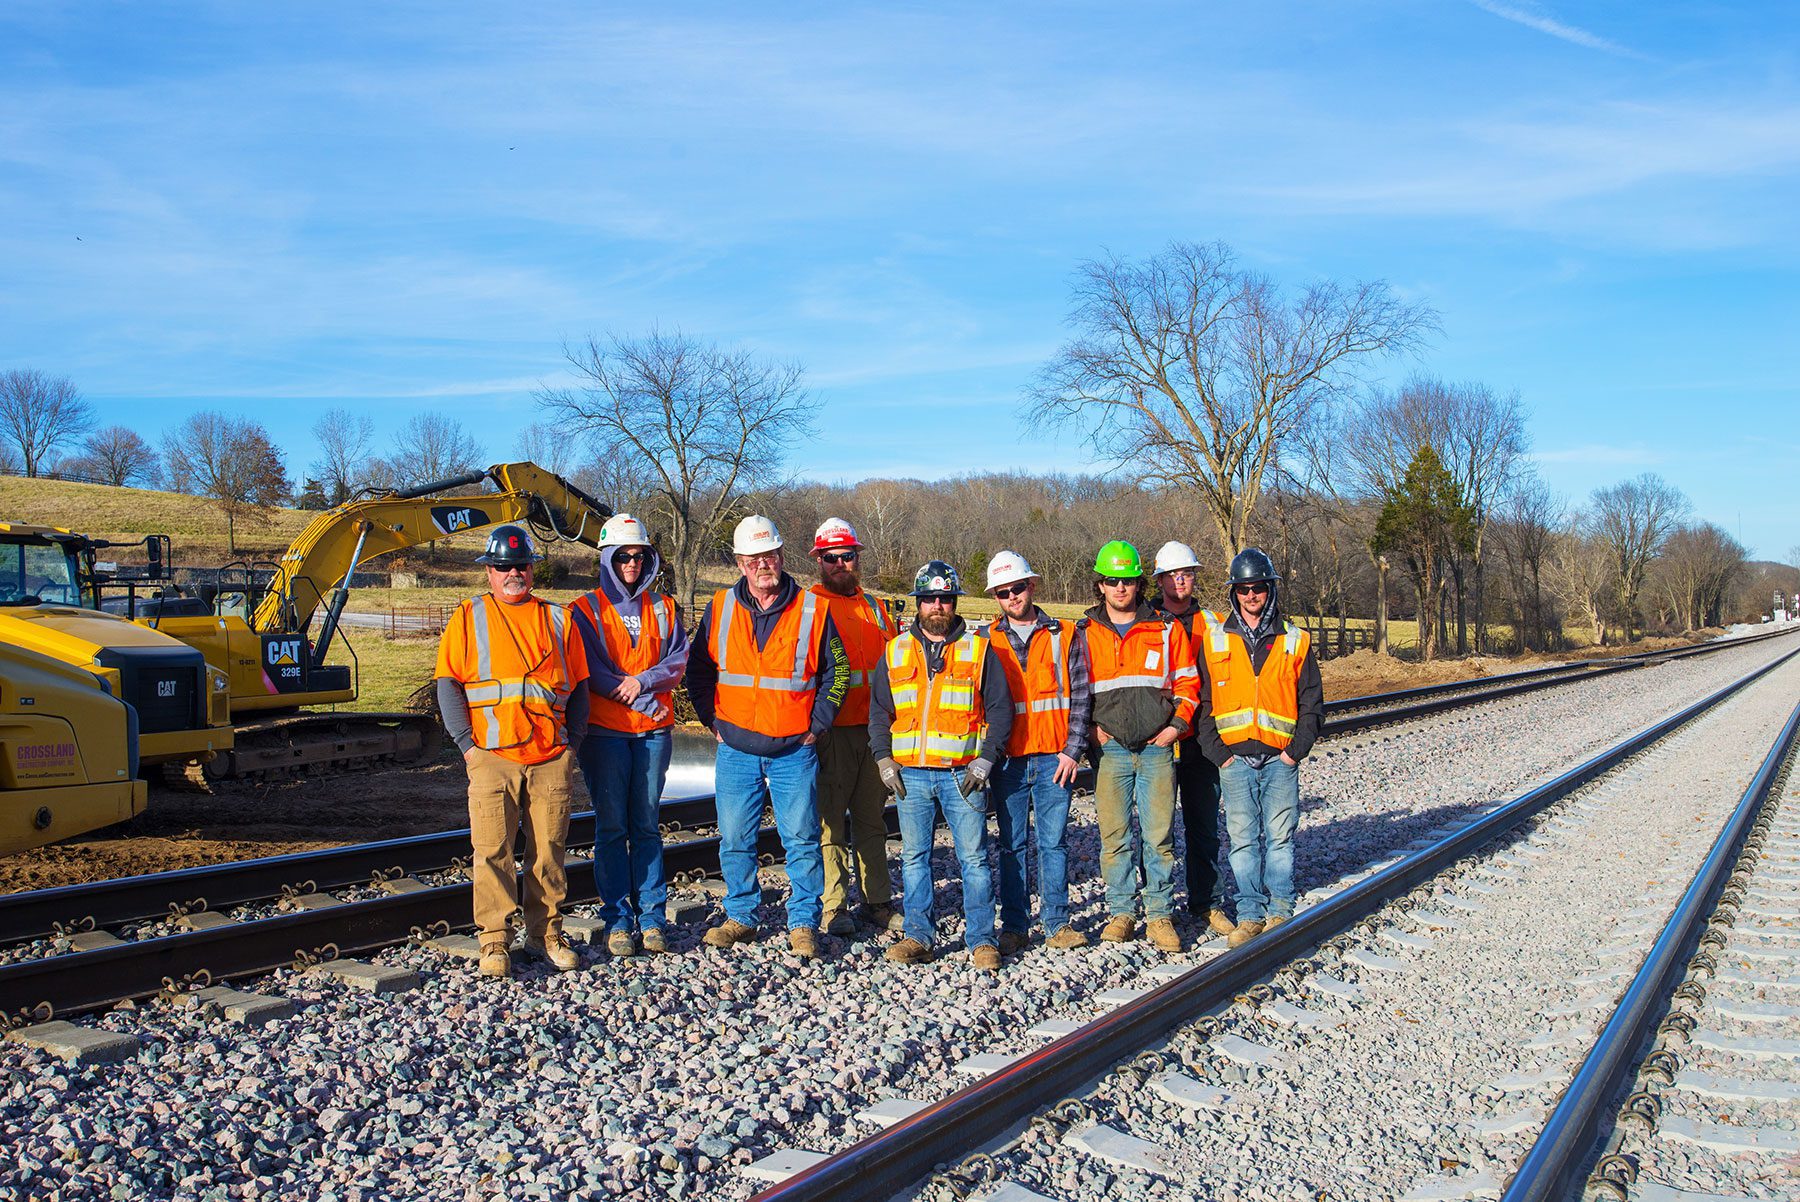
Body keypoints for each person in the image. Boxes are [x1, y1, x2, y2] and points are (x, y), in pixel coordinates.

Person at [685, 515, 849, 959]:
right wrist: (710, 720)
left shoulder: (813, 610)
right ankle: (741, 915)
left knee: (801, 838)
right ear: (740, 562)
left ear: (781, 556)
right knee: (736, 838)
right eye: (754, 558)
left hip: (794, 749)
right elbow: (698, 670)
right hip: (735, 747)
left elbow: (838, 673)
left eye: (771, 555)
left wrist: (817, 726)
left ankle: (803, 922)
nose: (764, 564)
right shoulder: (719, 608)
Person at [435, 524, 589, 978]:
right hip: (491, 757)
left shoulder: (559, 619)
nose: (513, 573)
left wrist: (571, 746)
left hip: (549, 757)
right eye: (503, 566)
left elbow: (580, 689)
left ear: (532, 570)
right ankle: (494, 942)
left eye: (520, 565)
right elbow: (449, 685)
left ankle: (547, 935)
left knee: (548, 851)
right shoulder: (469, 616)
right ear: (489, 571)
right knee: (492, 851)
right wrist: (467, 746)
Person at [868, 561, 1013, 971]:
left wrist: (985, 760)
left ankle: (982, 940)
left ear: (954, 602)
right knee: (914, 858)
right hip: (909, 775)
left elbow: (1001, 710)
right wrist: (883, 759)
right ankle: (918, 936)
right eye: (929, 599)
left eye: (945, 598)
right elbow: (880, 711)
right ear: (918, 603)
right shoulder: (895, 650)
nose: (937, 606)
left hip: (961, 774)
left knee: (974, 859)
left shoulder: (978, 649)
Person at [568, 514, 690, 958]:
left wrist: (644, 684)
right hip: (605, 736)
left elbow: (678, 660)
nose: (632, 564)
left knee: (646, 824)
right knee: (611, 826)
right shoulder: (583, 610)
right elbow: (590, 671)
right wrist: (639, 696)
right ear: (607, 558)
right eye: (623, 556)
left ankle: (653, 917)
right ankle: (617, 919)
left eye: (639, 556)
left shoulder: (665, 607)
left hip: (653, 734)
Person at [1194, 548, 1324, 948]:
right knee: (1243, 839)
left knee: (1280, 837)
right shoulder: (1216, 640)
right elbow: (1203, 704)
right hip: (1234, 761)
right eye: (1244, 589)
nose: (1251, 596)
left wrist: (1294, 752)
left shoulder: (1294, 640)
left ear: (1270, 590)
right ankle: (1250, 913)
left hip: (1279, 760)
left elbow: (1312, 703)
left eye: (1259, 588)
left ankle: (1279, 908)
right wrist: (1221, 755)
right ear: (1234, 593)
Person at [1080, 540, 1200, 955]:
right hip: (1109, 750)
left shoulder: (1165, 629)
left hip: (1156, 749)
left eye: (1128, 580)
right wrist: (1092, 733)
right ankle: (1121, 912)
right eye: (1112, 581)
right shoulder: (1084, 633)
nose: (1120, 588)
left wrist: (1175, 729)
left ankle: (1160, 914)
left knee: (1158, 836)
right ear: (1100, 585)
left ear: (1138, 583)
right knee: (1114, 837)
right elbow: (1077, 691)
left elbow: (1188, 684)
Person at [982, 550, 1092, 953]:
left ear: (1032, 586)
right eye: (1002, 592)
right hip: (1008, 760)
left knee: (1053, 842)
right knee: (1011, 845)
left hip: (1054, 759)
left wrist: (1072, 750)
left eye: (1017, 587)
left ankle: (1057, 923)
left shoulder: (1064, 633)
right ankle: (1014, 925)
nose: (1012, 596)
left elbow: (1080, 696)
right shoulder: (984, 641)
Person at [807, 518, 902, 936]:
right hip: (831, 731)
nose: (842, 564)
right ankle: (833, 906)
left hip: (875, 730)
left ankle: (877, 901)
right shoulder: (808, 606)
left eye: (848, 556)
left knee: (871, 820)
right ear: (820, 562)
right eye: (832, 558)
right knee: (830, 823)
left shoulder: (877, 607)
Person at [1150, 540, 1233, 938]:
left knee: (1204, 825)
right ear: (1161, 579)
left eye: (1186, 573)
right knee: (1156, 830)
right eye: (1172, 574)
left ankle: (1207, 903)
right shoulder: (1146, 620)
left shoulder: (1214, 623)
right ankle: (1157, 908)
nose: (1180, 580)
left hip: (1202, 737)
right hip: (1157, 737)